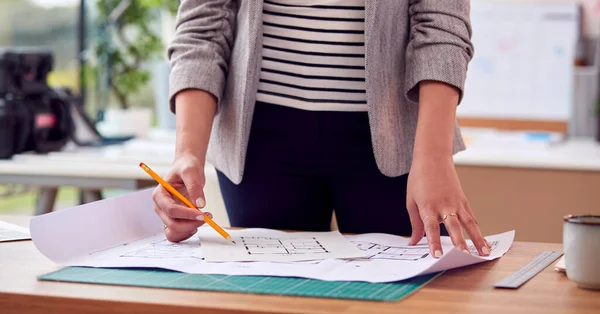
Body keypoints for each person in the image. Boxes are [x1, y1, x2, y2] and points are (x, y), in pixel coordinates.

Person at [153, 0, 492, 258]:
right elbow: (202, 29)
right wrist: (187, 153)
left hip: (395, 139)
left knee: (411, 294)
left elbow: (442, 27)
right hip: (259, 143)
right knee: (270, 298)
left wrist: (433, 156)